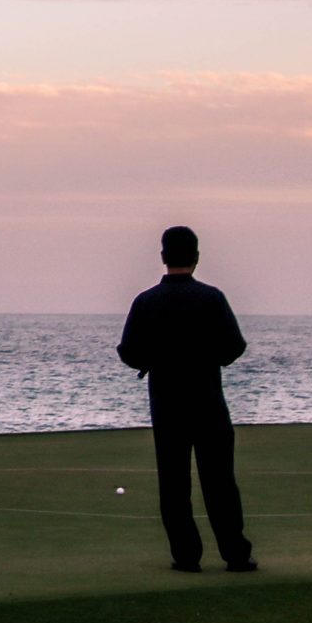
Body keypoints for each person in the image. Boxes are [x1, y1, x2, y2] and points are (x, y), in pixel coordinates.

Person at [116, 225, 255, 572]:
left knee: (174, 482)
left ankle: (186, 554)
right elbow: (234, 347)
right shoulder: (211, 298)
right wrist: (209, 356)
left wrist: (153, 359)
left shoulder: (146, 301)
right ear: (196, 257)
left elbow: (129, 351)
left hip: (167, 403)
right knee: (220, 480)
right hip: (208, 399)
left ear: (163, 257)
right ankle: (235, 553)